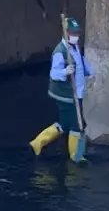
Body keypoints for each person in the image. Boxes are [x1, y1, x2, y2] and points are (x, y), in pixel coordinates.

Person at [29, 17, 93, 163]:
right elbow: (54, 73)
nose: (76, 36)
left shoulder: (74, 47)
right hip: (67, 96)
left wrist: (90, 72)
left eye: (77, 33)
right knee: (77, 124)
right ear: (66, 33)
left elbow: (81, 62)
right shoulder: (60, 52)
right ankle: (76, 156)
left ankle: (37, 144)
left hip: (76, 93)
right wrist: (65, 71)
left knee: (64, 123)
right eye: (73, 33)